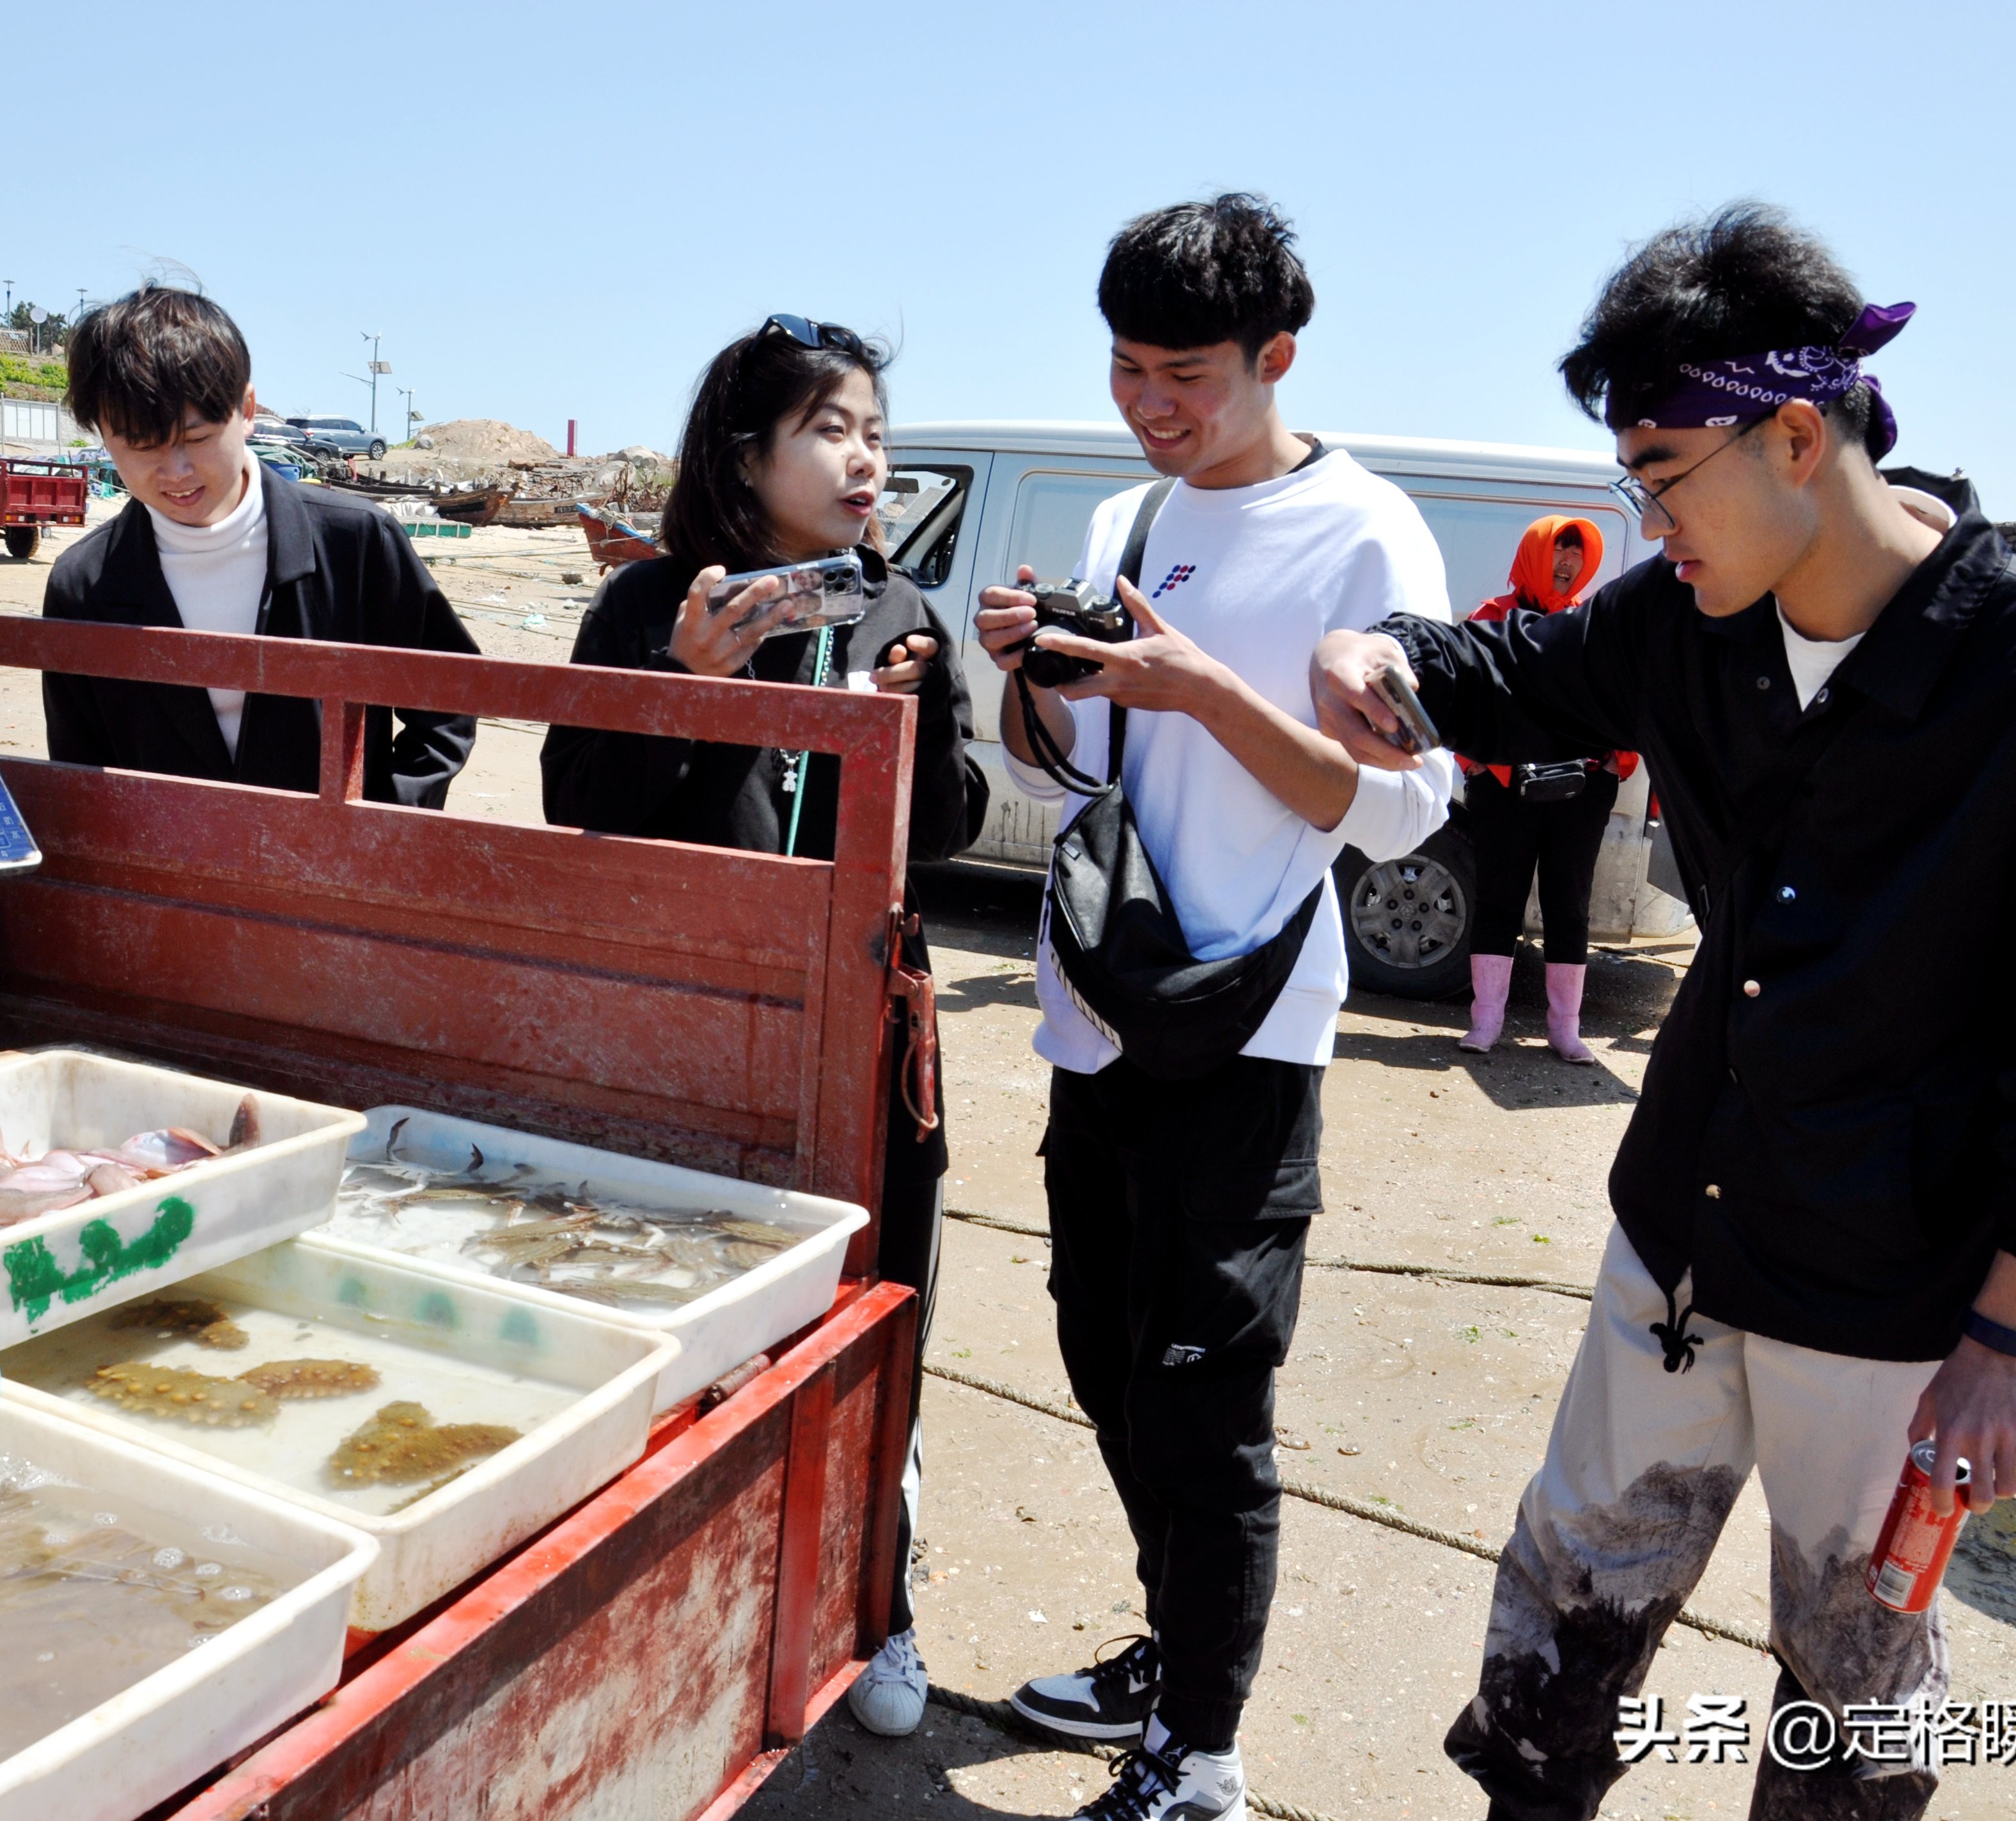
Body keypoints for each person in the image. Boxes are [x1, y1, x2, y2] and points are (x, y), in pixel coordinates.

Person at [1311, 204, 2016, 1820]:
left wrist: (2004, 1334)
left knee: (1849, 1681)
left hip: (1890, 1284)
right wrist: (1379, 650)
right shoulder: (1682, 622)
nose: (1644, 525)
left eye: (1656, 474)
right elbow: (1511, 675)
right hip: (1678, 1226)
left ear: (1796, 434)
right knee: (1561, 1607)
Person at [971, 195, 1456, 1821]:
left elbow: (1398, 814)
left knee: (1204, 1397)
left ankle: (1204, 1756)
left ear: (1277, 357)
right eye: (1122, 369)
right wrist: (1035, 679)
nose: (1149, 406)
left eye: (1184, 373)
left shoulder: (1367, 533)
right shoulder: (1124, 522)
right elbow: (1080, 775)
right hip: (1099, 1010)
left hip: (1244, 1035)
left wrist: (1201, 686)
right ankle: (1167, 1660)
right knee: (1103, 1361)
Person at [538, 313, 989, 1740]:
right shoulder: (653, 603)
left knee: (876, 1316)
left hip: (862, 1041)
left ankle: (874, 1603)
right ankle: (666, 1612)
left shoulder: (894, 610)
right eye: (830, 429)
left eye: (874, 431)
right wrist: (690, 689)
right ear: (744, 454)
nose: (867, 458)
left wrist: (909, 738)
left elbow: (959, 829)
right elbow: (577, 802)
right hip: (690, 1033)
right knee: (687, 1325)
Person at [41, 286, 479, 802]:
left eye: (198, 439)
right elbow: (80, 769)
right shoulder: (83, 585)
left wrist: (381, 825)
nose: (176, 472)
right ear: (102, 434)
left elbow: (449, 702)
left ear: (245, 410)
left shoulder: (356, 544)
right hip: (171, 873)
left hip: (333, 874)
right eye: (140, 446)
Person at [1455, 515, 1636, 1061]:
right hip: (1505, 786)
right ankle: (1485, 1022)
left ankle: (1565, 1030)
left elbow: (1623, 696)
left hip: (1581, 788)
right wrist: (1475, 764)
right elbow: (1461, 694)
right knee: (1498, 899)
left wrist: (1616, 765)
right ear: (1536, 553)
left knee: (1570, 904)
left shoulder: (1591, 623)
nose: (1568, 563)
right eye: (1560, 550)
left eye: (1578, 555)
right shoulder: (1492, 618)